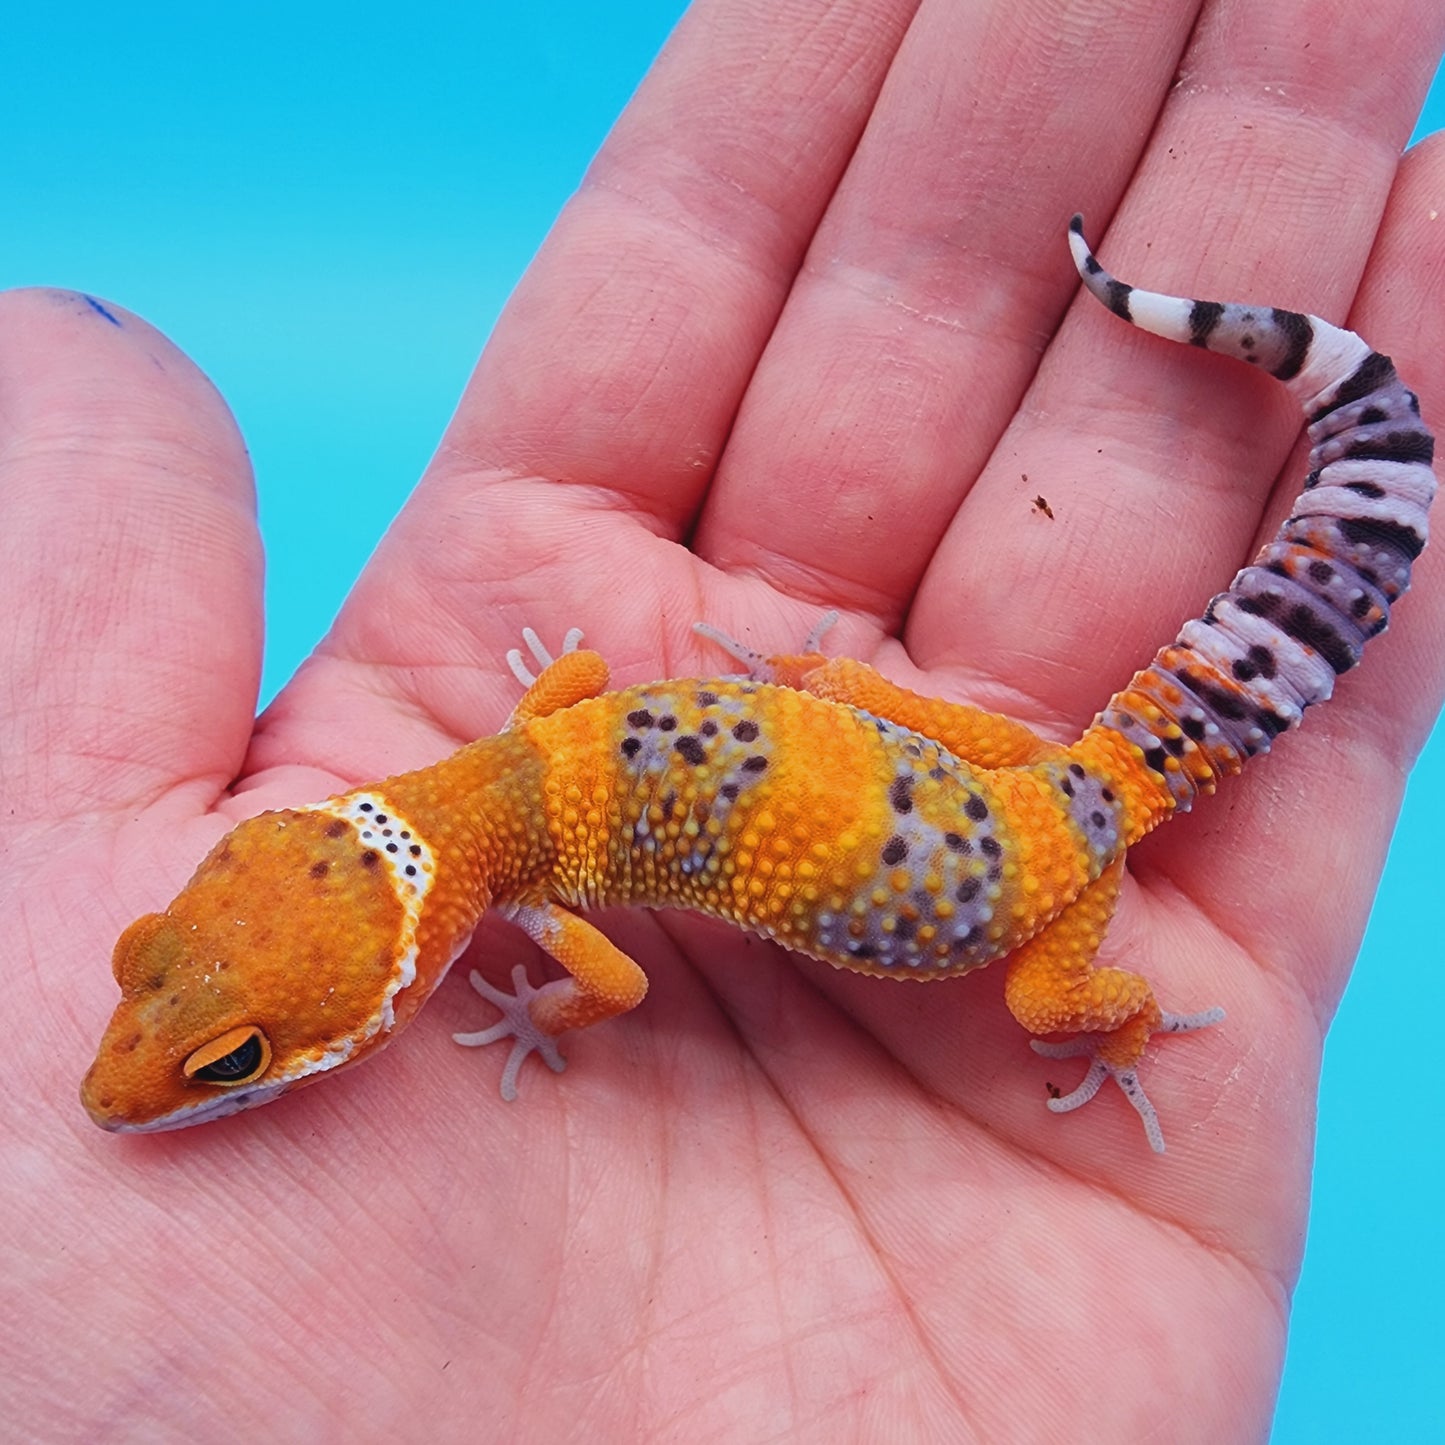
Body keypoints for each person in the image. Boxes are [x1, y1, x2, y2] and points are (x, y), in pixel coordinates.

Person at [4, 0, 1442, 1437]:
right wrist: (826, 690)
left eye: (234, 1059)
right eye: (189, 1008)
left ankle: (1114, 1017)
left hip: (1044, 869)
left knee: (1045, 1002)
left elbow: (614, 990)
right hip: (1019, 769)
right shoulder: (515, 754)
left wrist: (533, 1002)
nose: (164, 1063)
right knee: (906, 759)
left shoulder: (533, 893)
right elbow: (569, 695)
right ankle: (1344, 427)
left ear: (398, 974)